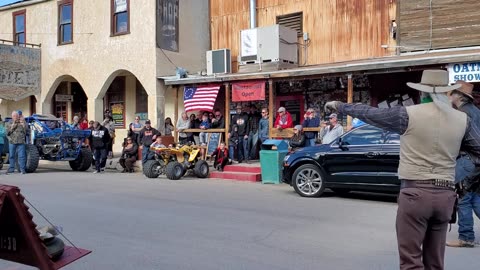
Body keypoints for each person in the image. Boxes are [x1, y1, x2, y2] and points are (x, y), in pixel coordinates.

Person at [325, 69, 480, 270]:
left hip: (415, 194)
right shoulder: (462, 120)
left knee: (411, 263)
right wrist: (457, 172)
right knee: (435, 263)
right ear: (446, 93)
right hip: (445, 195)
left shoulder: (407, 115)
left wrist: (340, 106)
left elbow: (369, 113)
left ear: (422, 93)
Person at [445, 80, 480, 248]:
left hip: (468, 160)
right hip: (477, 162)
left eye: (450, 93)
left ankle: (466, 237)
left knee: (464, 198)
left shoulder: (462, 114)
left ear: (457, 96)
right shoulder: (475, 111)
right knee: (475, 199)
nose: (448, 96)